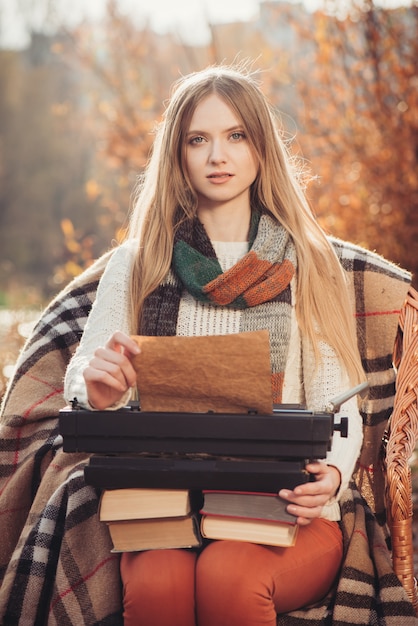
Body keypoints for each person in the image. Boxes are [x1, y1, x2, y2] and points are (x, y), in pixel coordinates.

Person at [64, 63, 365, 626]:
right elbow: (83, 372)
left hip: (281, 507)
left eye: (235, 136)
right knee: (160, 583)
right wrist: (98, 388)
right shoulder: (139, 260)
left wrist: (336, 474)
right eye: (197, 140)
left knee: (228, 574)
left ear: (261, 148)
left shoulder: (309, 261)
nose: (216, 156)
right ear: (178, 155)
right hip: (163, 498)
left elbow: (338, 397)